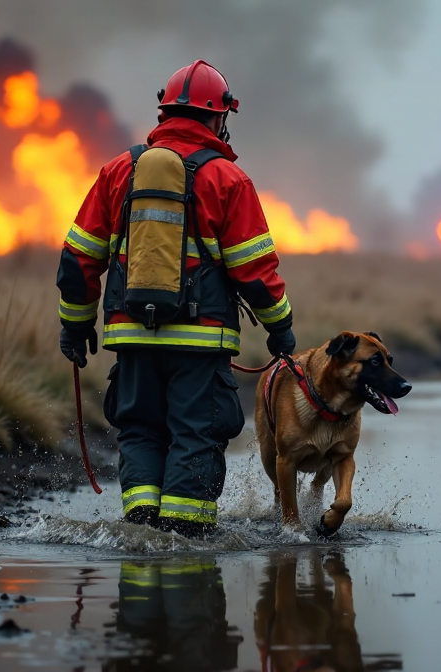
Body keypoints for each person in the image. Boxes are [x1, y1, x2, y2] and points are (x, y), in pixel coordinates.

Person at [56, 60, 295, 538]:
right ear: (218, 117)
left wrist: (76, 325)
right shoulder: (229, 180)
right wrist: (280, 327)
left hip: (131, 337)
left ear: (165, 113)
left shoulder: (118, 171)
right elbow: (255, 269)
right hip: (200, 344)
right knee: (196, 433)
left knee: (140, 430)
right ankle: (186, 552)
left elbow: (78, 259)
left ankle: (140, 532)